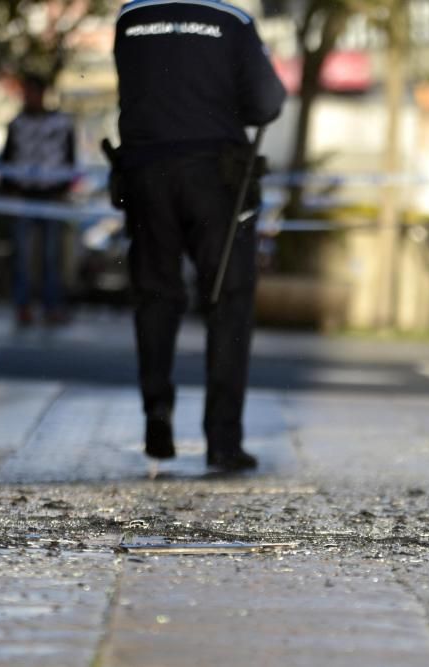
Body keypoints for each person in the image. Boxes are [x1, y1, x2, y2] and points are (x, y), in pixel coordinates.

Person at [112, 0, 286, 471]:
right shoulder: (231, 20)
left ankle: (157, 416)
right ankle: (223, 441)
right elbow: (267, 102)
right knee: (228, 298)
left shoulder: (130, 18)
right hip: (217, 178)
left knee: (155, 294)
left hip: (145, 173)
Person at [0, 73, 76, 327]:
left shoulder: (61, 123)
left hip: (51, 196)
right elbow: (8, 158)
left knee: (51, 256)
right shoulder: (17, 124)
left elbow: (69, 158)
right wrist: (9, 188)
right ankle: (24, 306)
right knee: (23, 255)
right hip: (24, 197)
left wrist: (64, 186)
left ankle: (51, 306)